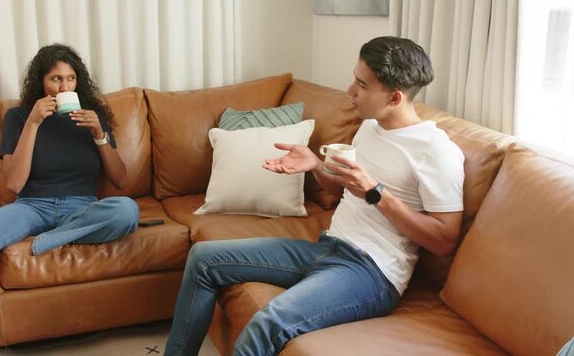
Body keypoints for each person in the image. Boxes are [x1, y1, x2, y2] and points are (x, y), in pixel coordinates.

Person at [164, 36, 465, 355]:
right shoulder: (369, 127)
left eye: (361, 85)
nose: (350, 91)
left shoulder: (435, 150)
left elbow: (444, 240)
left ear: (394, 97)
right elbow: (342, 190)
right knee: (204, 259)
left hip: (371, 272)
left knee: (268, 323)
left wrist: (376, 192)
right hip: (329, 247)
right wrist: (317, 166)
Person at [0, 44, 140, 355]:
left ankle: (43, 241)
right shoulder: (19, 116)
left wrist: (99, 134)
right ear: (40, 82)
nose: (64, 87)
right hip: (30, 207)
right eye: (55, 79)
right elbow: (13, 183)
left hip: (82, 209)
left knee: (127, 210)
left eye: (71, 79)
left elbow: (121, 181)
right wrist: (34, 123)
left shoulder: (94, 116)